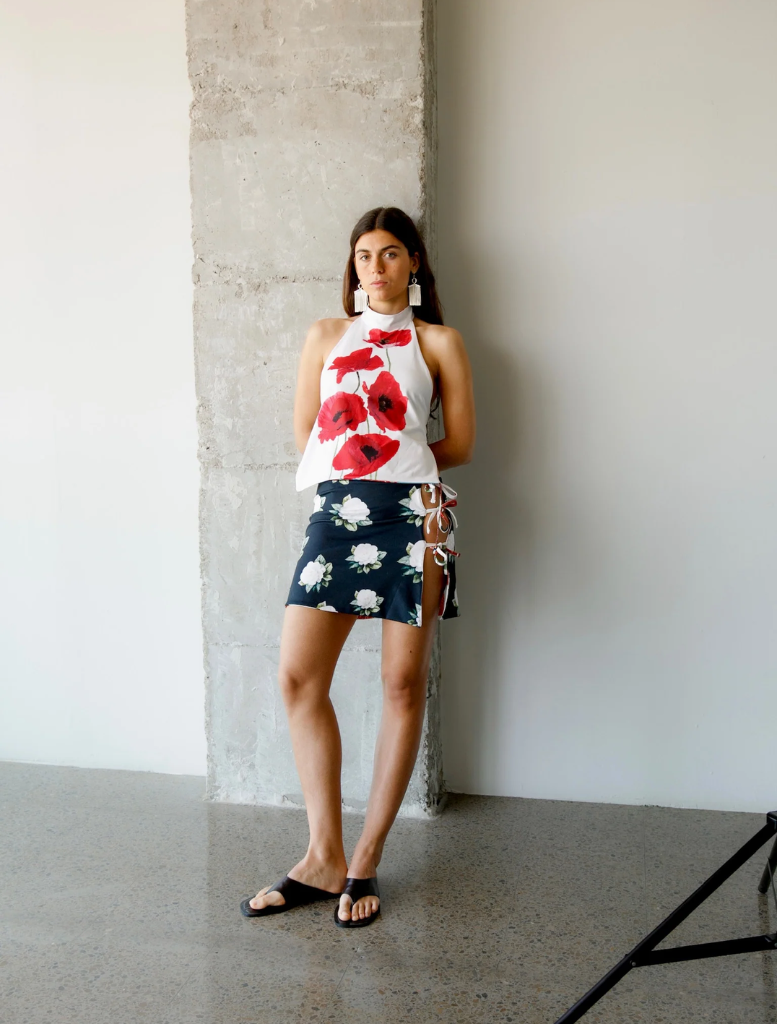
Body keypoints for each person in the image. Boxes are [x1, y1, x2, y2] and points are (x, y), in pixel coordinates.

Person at [240, 206, 476, 928]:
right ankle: (321, 856)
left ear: (414, 263)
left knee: (401, 684)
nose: (376, 266)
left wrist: (397, 466)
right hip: (336, 514)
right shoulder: (325, 336)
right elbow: (308, 436)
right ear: (353, 266)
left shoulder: (439, 341)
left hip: (414, 517)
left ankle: (364, 858)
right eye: (365, 255)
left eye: (391, 253)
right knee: (297, 678)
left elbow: (460, 443)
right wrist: (361, 469)